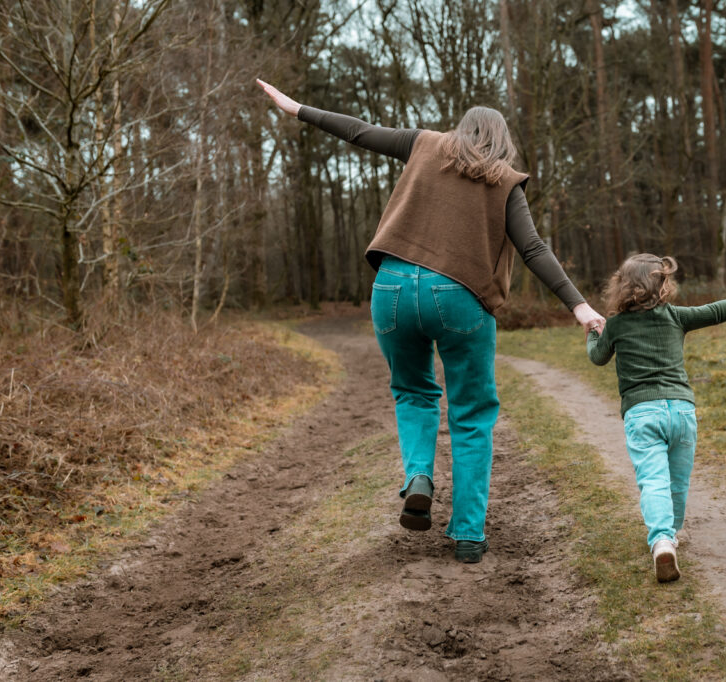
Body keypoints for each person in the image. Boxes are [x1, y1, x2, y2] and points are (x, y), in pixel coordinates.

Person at [257, 79, 605, 563]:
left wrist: (297, 108)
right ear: (503, 142)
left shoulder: (424, 144)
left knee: (414, 390)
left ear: (461, 131)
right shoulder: (505, 180)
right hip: (459, 297)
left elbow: (359, 131)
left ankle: (418, 475)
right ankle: (467, 535)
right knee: (470, 415)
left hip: (392, 289)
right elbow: (532, 249)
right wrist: (579, 306)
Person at [586, 253, 726, 582]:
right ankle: (672, 533)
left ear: (622, 287)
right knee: (677, 480)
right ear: (663, 286)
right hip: (682, 411)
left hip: (642, 413)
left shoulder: (617, 325)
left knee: (654, 480)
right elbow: (716, 311)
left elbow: (598, 357)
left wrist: (594, 332)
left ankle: (662, 540)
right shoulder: (675, 316)